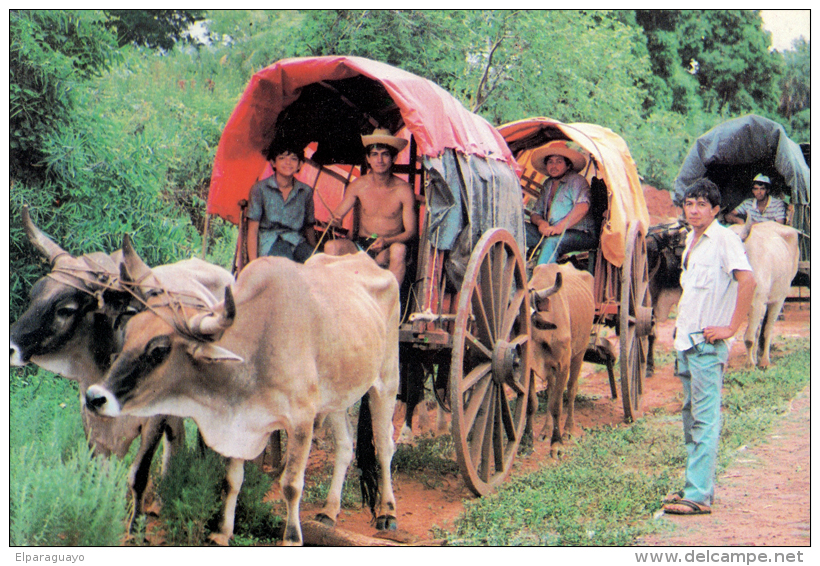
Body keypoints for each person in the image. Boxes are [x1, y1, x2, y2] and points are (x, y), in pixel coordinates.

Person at [663, 178, 755, 516]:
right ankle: (696, 486)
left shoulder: (725, 240)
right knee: (690, 419)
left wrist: (731, 328)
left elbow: (748, 281)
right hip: (686, 343)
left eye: (702, 204)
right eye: (690, 204)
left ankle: (698, 494)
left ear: (715, 210)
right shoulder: (691, 239)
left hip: (706, 344)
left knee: (703, 419)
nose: (695, 209)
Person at [324, 128, 417, 284]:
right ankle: (335, 299)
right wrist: (334, 220)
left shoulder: (404, 190)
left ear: (394, 158)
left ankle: (389, 305)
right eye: (374, 154)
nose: (379, 160)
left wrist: (386, 242)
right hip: (361, 246)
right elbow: (338, 215)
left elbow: (411, 232)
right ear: (368, 158)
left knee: (399, 250)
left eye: (385, 154)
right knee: (331, 247)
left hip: (389, 246)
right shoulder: (358, 185)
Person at [246, 141, 317, 263]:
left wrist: (315, 253)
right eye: (282, 158)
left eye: (293, 159)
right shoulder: (260, 189)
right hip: (270, 242)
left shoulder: (305, 191)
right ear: (273, 162)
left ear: (300, 164)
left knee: (316, 263)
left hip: (296, 241)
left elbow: (309, 227)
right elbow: (253, 230)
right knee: (284, 261)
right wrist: (253, 264)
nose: (288, 162)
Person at [528, 140, 597, 265]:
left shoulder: (576, 181)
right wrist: (541, 223)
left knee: (552, 242)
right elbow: (535, 213)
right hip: (552, 232)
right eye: (550, 162)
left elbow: (583, 207)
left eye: (559, 162)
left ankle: (540, 281)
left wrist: (559, 228)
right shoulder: (548, 184)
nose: (554, 166)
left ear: (568, 165)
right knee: (521, 229)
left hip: (580, 234)